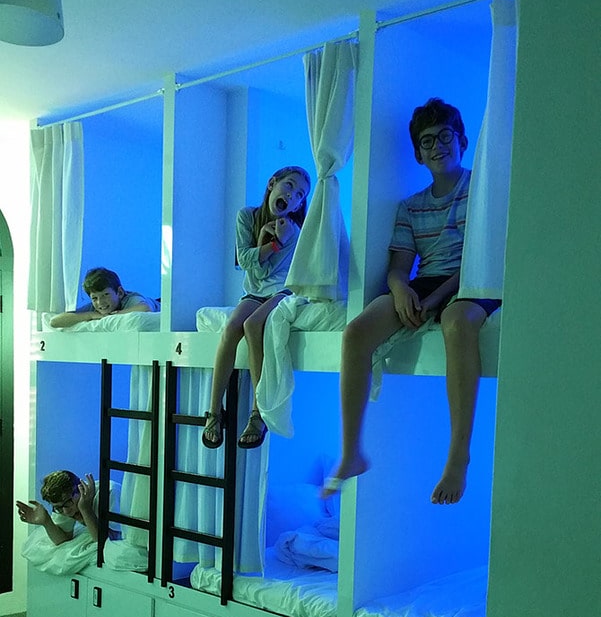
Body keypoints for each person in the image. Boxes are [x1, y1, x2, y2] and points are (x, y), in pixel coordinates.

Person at [322, 97, 501, 505]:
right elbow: (399, 269)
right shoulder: (411, 206)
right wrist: (402, 291)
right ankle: (351, 452)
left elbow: (481, 257)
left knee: (457, 320)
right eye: (427, 141)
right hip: (427, 281)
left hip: (474, 277)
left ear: (462, 141)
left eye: (445, 136)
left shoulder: (481, 189)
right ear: (419, 155)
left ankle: (458, 456)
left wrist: (435, 298)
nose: (437, 146)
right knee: (356, 332)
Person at [203, 165, 311, 450]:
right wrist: (268, 242)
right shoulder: (246, 216)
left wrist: (275, 242)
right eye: (289, 186)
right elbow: (247, 263)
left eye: (300, 195)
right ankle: (214, 411)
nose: (292, 196)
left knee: (253, 325)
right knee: (231, 329)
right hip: (254, 291)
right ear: (272, 184)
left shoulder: (294, 230)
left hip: (283, 289)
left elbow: (265, 271)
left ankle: (258, 412)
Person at [16, 470, 119, 544]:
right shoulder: (63, 507)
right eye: (58, 508)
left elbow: (105, 542)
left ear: (81, 488)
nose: (66, 512)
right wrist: (46, 522)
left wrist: (85, 509)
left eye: (68, 503)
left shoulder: (109, 493)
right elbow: (63, 539)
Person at [49, 267, 159, 328]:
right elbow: (54, 322)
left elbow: (145, 308)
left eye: (105, 295)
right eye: (94, 298)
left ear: (120, 292)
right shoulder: (96, 307)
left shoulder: (130, 298)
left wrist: (110, 316)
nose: (100, 302)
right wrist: (90, 315)